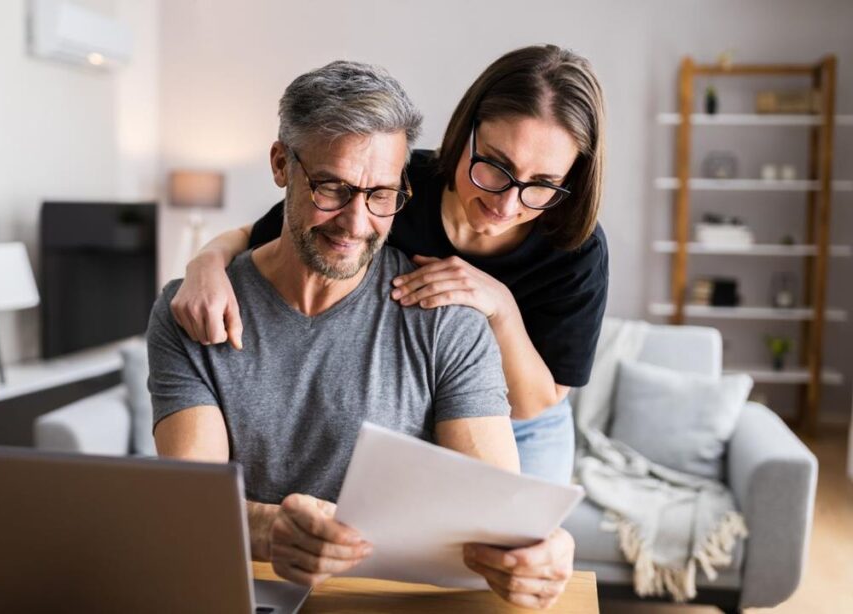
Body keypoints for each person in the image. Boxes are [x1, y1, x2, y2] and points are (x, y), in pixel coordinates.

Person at [150, 60, 574, 610]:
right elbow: (189, 502)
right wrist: (268, 529)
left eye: (381, 195)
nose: (355, 223)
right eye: (332, 188)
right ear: (281, 165)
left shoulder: (448, 318)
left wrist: (548, 547)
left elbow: (496, 515)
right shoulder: (195, 311)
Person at [171, 44, 608, 486]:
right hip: (431, 402)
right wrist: (205, 264)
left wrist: (500, 306)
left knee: (518, 544)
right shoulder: (389, 183)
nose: (506, 202)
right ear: (465, 132)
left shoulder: (575, 247)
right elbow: (260, 235)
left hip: (525, 424)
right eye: (495, 166)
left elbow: (536, 402)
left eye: (543, 184)